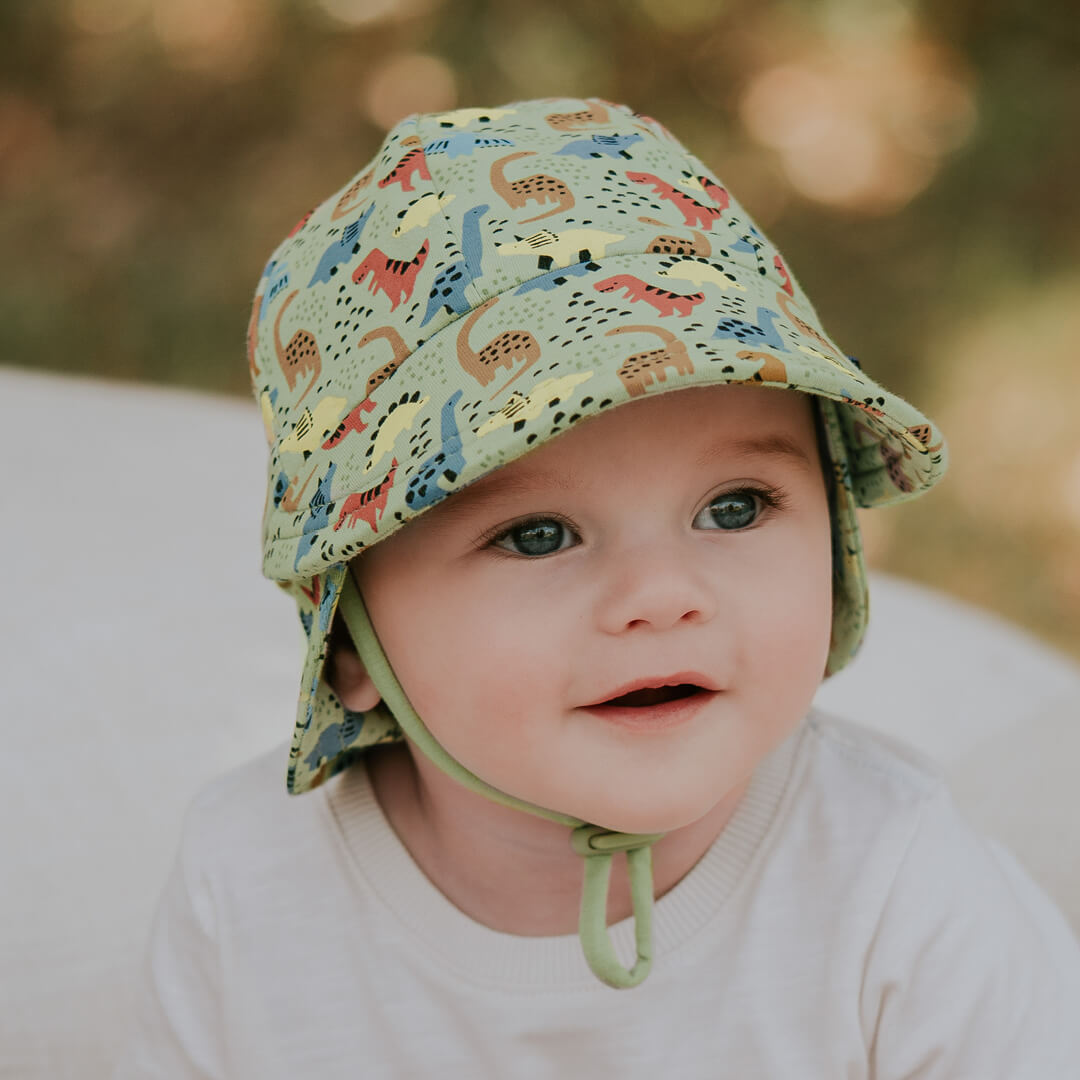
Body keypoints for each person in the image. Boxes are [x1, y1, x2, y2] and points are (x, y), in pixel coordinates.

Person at [115, 97, 1080, 1077]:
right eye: (538, 535)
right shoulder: (249, 890)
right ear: (351, 639)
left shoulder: (891, 882)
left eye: (737, 507)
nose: (663, 596)